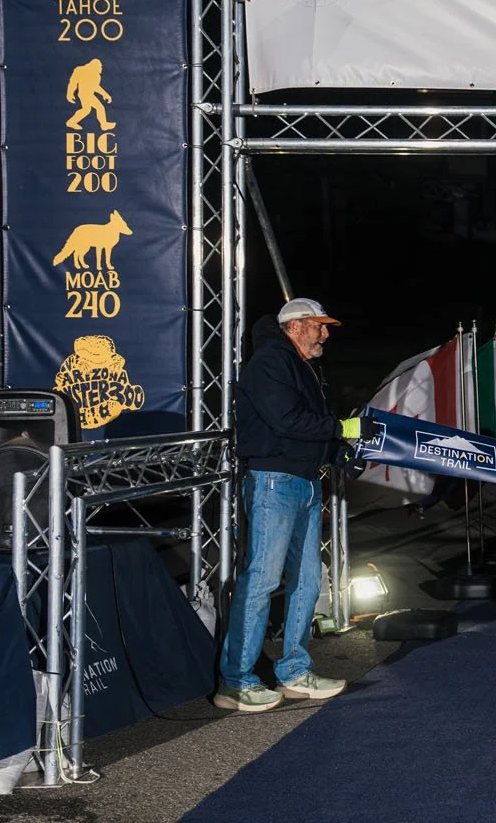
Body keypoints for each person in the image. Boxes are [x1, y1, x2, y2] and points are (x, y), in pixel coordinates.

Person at [216, 297, 370, 712]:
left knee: (306, 582)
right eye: (319, 325)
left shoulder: (303, 366)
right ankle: (236, 681)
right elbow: (286, 420)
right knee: (262, 580)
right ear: (296, 325)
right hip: (273, 482)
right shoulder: (270, 361)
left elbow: (306, 428)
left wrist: (339, 455)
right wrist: (343, 428)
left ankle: (295, 673)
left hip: (302, 481)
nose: (325, 333)